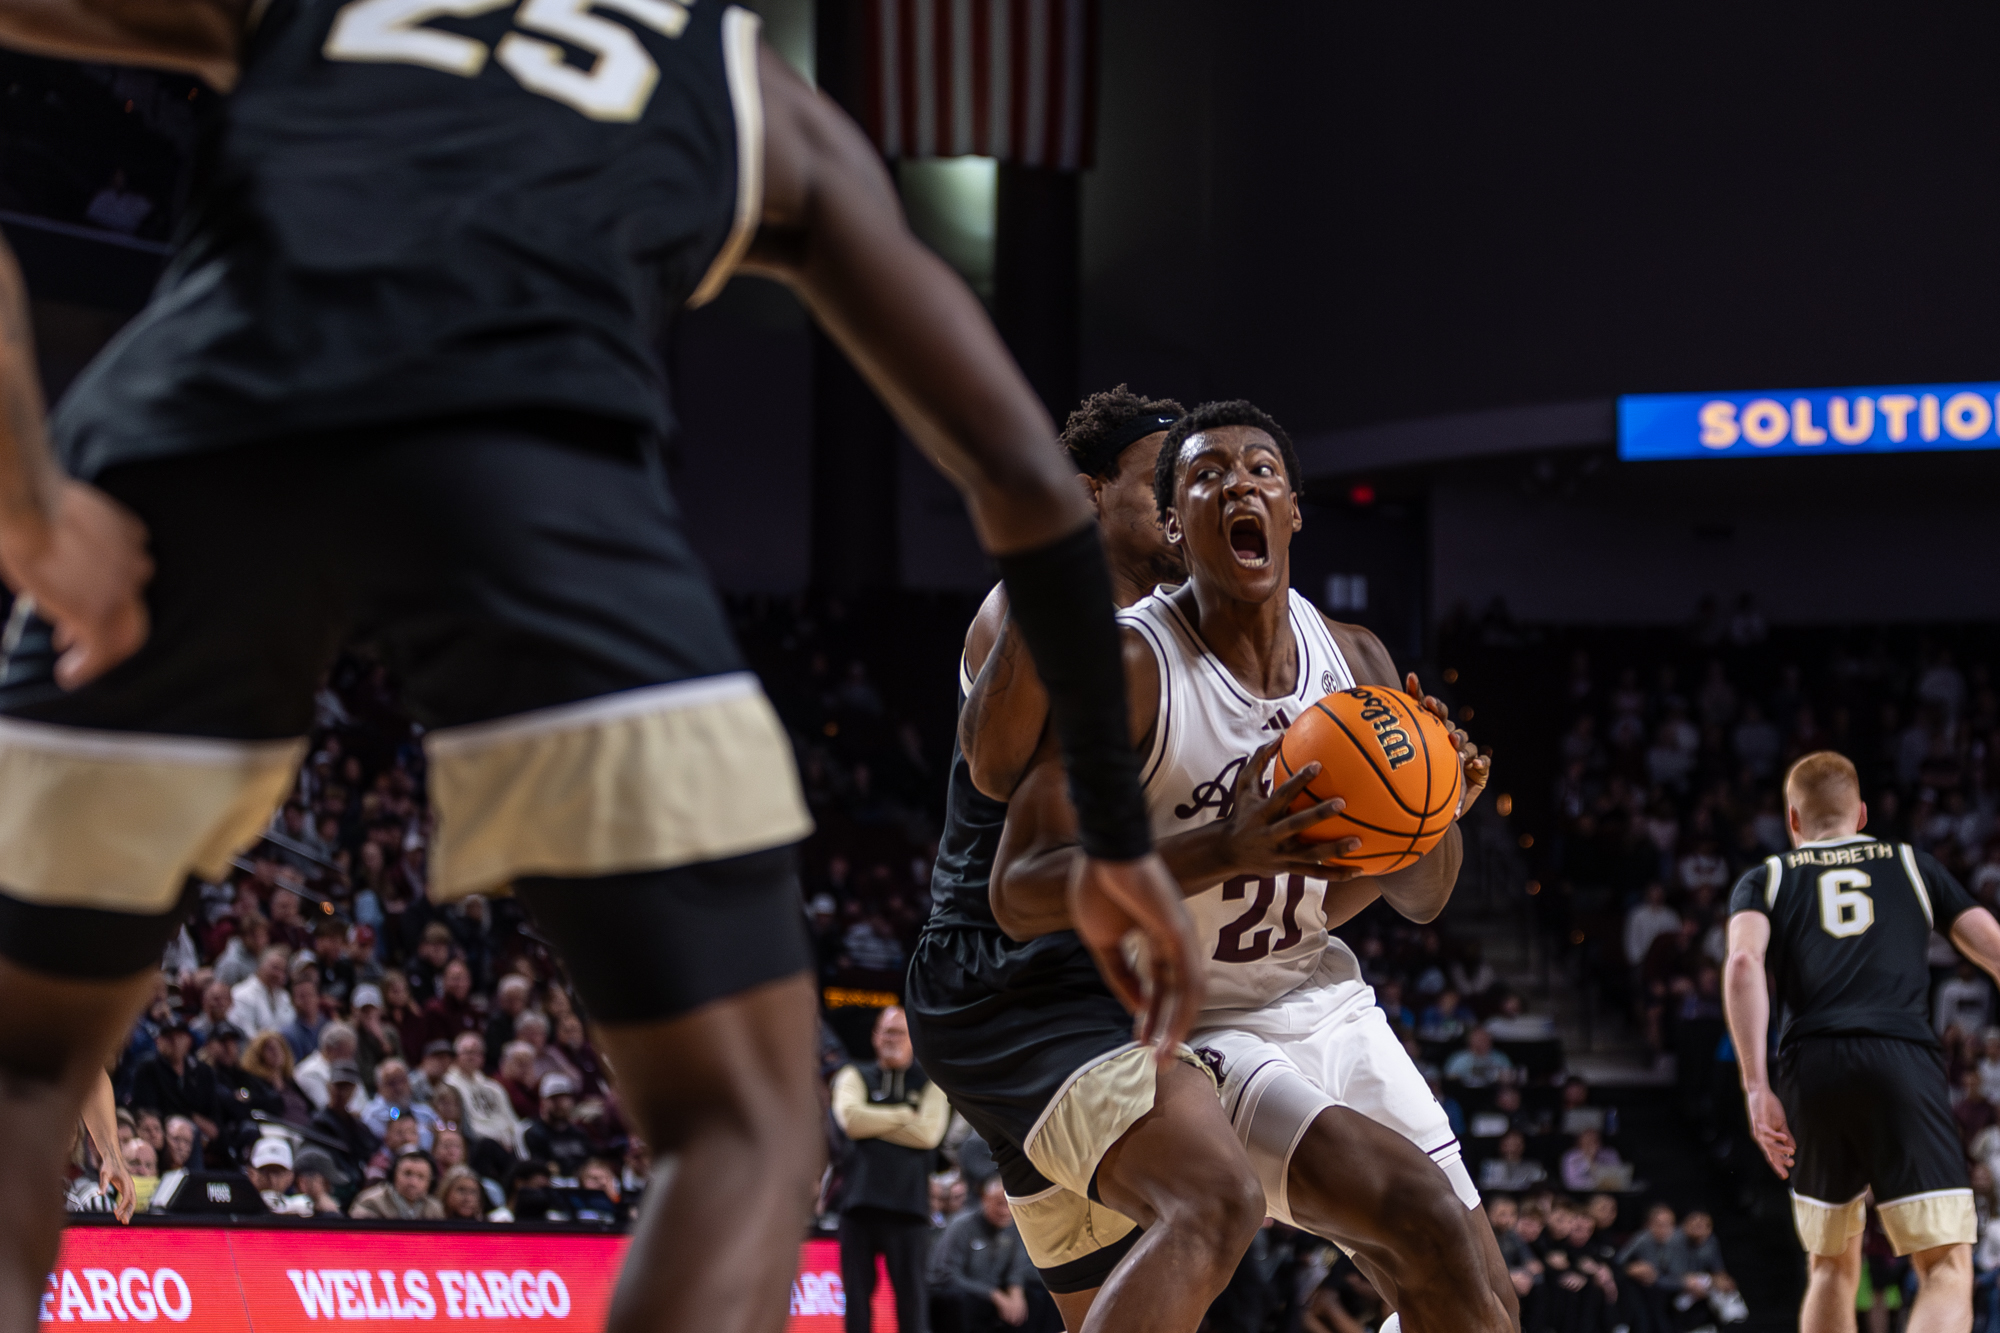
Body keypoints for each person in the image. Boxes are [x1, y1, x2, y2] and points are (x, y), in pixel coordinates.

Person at [0, 9, 1200, 1333]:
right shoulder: (744, 81)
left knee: (22, 1081)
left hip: (182, 452)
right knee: (743, 1125)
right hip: (529, 476)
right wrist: (1111, 818)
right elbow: (1025, 475)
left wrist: (27, 504)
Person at [986, 401, 1514, 1331]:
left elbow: (1426, 899)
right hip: (1193, 1028)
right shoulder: (1129, 665)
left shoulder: (1354, 660)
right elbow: (1019, 890)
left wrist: (1436, 806)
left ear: (1294, 511)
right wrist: (1222, 846)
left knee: (1482, 1299)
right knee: (1419, 1213)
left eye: (1262, 469)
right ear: (1175, 521)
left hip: (1324, 997)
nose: (1240, 483)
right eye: (1206, 474)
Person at [907, 389, 1268, 1333]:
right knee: (1218, 1205)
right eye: (1165, 478)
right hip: (1012, 977)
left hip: (1072, 990)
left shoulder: (1179, 630)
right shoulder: (1024, 610)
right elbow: (993, 768)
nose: (1187, 495)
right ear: (1087, 494)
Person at [1725, 749, 2000, 1333]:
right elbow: (1993, 948)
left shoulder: (1768, 876)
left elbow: (1744, 964)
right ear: (1863, 813)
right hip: (1900, 1054)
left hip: (1811, 1064)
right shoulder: (1909, 863)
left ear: (1793, 821)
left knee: (1829, 1265)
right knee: (1947, 1265)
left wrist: (1756, 1086)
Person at [834, 1007, 950, 1333]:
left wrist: (873, 1118)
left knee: (912, 1305)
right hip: (858, 1207)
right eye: (886, 1032)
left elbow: (929, 1134)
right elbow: (851, 1121)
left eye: (899, 1032)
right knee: (855, 1303)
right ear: (874, 1037)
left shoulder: (931, 1082)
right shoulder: (853, 1075)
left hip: (909, 1209)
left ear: (913, 1039)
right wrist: (904, 1114)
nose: (891, 1039)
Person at [928, 1177, 1035, 1333]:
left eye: (1009, 1205)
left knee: (1035, 1296)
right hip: (960, 1290)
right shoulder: (962, 1225)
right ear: (985, 1199)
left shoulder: (1015, 1227)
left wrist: (1016, 1295)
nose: (1005, 1211)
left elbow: (1016, 1270)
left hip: (993, 1290)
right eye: (999, 1203)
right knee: (960, 1300)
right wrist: (994, 1294)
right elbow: (947, 1274)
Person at [445, 1033, 522, 1156]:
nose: (472, 1057)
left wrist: (510, 1139)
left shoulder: (494, 1087)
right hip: (478, 1145)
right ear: (457, 1056)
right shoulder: (449, 1085)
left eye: (477, 1053)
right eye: (467, 1052)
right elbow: (465, 1126)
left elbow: (512, 1120)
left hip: (507, 1145)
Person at [361, 1059, 443, 1151]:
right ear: (379, 1086)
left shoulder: (425, 1112)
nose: (398, 1087)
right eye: (391, 1083)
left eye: (402, 1080)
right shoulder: (372, 1116)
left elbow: (442, 1134)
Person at [350, 1151, 444, 1221]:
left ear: (430, 1182)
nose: (413, 1182)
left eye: (421, 1177)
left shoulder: (434, 1208)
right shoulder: (371, 1202)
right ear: (394, 1174)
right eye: (407, 1174)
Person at [229, 947, 299, 1038]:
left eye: (283, 970)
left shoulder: (284, 996)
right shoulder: (241, 994)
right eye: (275, 968)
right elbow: (245, 1033)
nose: (278, 974)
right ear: (260, 965)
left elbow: (290, 1028)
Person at [247, 1136, 312, 1217]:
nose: (272, 1179)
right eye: (265, 1171)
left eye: (278, 1172)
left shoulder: (299, 1207)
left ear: (290, 1176)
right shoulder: (239, 1206)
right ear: (251, 1173)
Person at [1443, 1027, 1515, 1087]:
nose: (1482, 1042)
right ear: (1470, 1041)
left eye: (1484, 1039)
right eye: (1478, 1039)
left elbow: (1510, 1078)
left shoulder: (1500, 1058)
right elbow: (1450, 1079)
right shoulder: (1458, 1058)